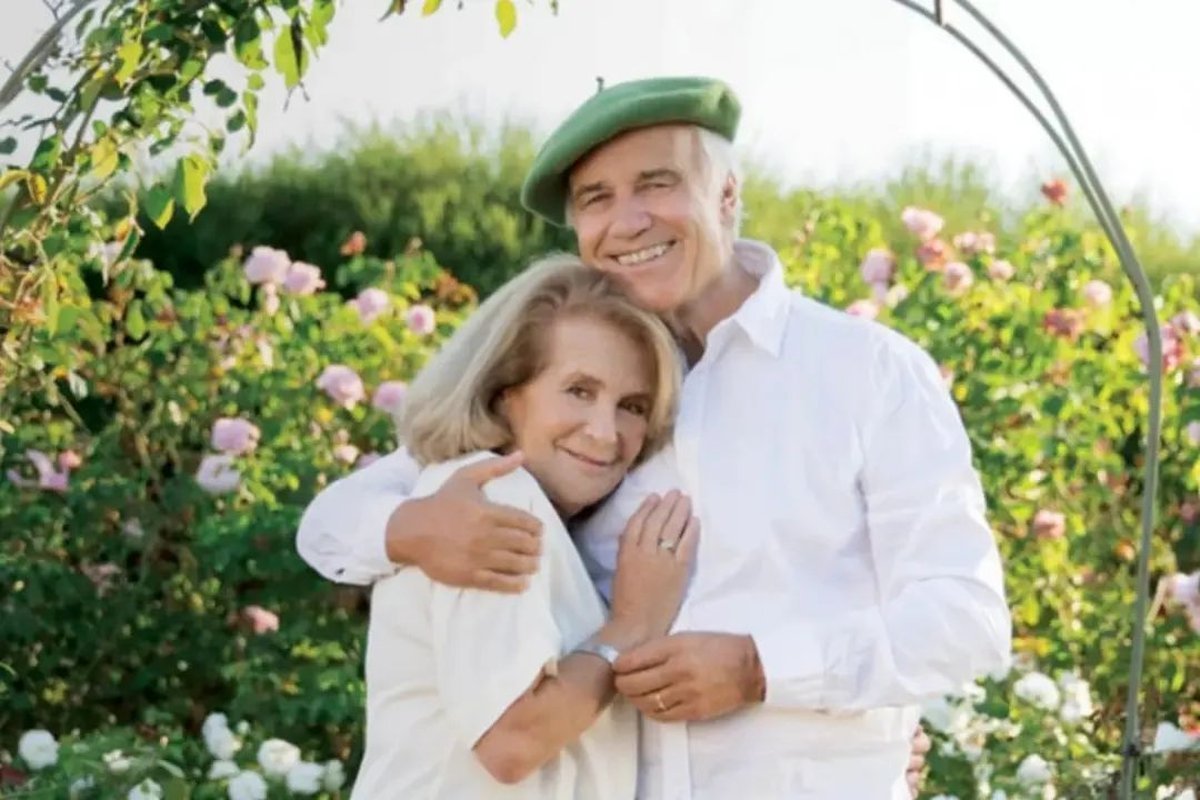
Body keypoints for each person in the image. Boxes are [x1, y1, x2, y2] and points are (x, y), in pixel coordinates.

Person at [301, 76, 1010, 798]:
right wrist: (410, 531)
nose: (628, 221)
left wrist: (762, 668)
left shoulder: (868, 373)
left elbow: (964, 617)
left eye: (657, 184)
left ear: (727, 194)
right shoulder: (571, 397)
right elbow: (334, 523)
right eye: (595, 199)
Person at [352, 254, 698, 798]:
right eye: (580, 391)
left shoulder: (534, 511)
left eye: (631, 406)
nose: (606, 433)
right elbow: (511, 741)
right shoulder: (491, 497)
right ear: (504, 393)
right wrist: (633, 625)